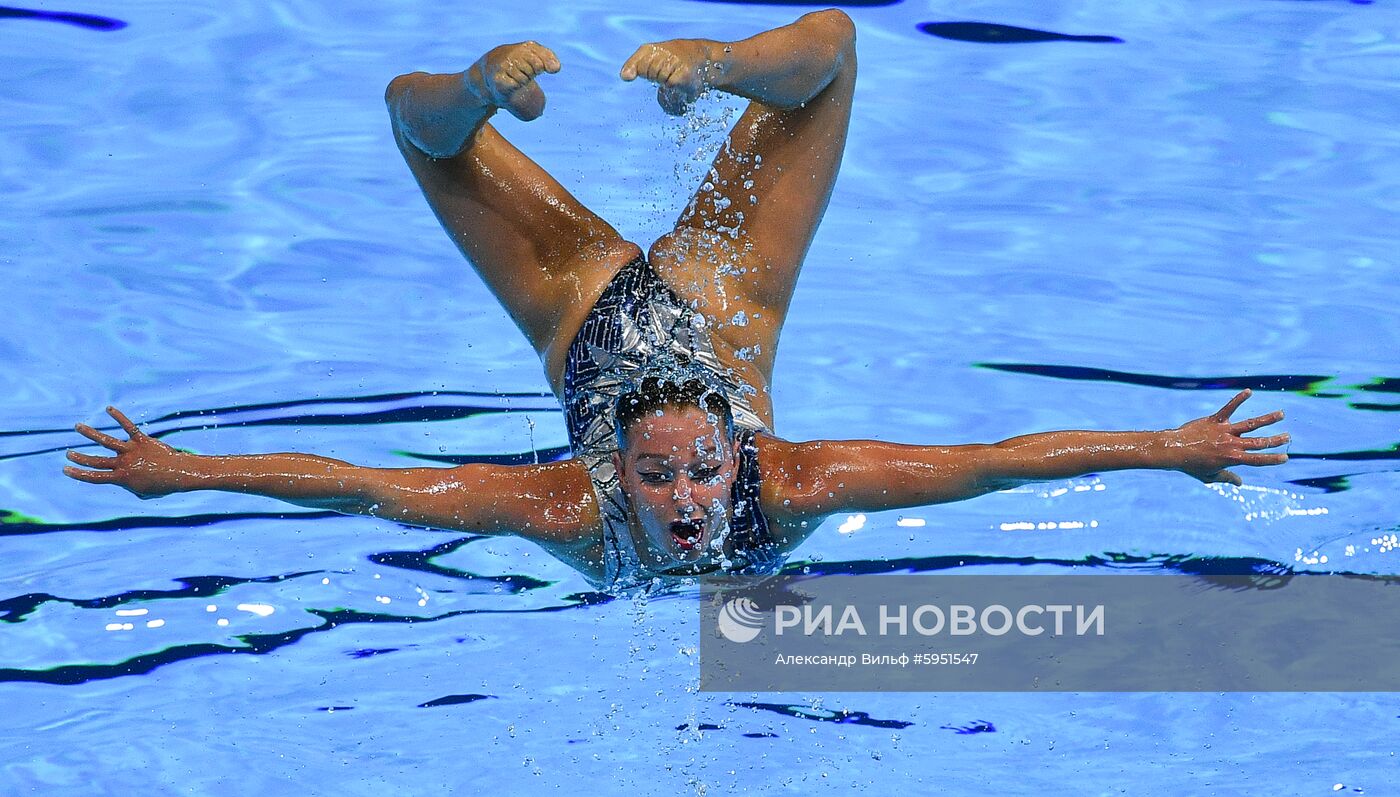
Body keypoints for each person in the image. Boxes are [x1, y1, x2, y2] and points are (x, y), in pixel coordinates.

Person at [62, 10, 1288, 591]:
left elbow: (986, 461)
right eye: (663, 480)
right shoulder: (583, 502)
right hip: (715, 300)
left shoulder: (706, 491)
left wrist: (1172, 449)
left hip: (582, 305)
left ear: (720, 454)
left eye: (692, 475)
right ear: (620, 476)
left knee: (825, 48)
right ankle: (491, 88)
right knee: (412, 110)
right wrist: (183, 474)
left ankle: (712, 70)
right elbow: (368, 485)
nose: (691, 500)